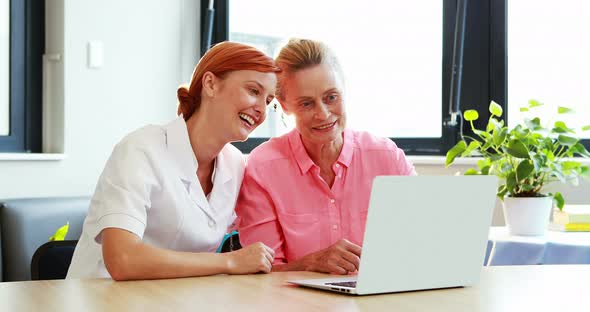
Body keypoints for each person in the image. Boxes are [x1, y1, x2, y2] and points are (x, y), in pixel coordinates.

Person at [67, 42, 280, 280]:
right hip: (104, 299)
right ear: (210, 84)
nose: (261, 109)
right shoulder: (141, 149)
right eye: (253, 91)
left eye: (269, 101)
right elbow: (123, 259)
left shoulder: (236, 165)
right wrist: (228, 261)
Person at [236, 38, 416, 275]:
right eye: (307, 104)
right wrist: (310, 263)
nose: (323, 114)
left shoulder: (387, 158)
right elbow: (262, 272)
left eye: (331, 97)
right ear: (285, 105)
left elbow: (421, 243)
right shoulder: (263, 167)